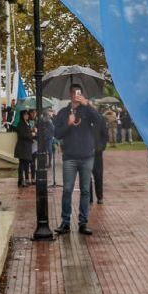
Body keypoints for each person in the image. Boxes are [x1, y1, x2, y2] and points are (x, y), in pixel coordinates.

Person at [53, 83, 103, 235]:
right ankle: (65, 222)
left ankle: (83, 222)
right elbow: (57, 134)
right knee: (67, 189)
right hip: (70, 157)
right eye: (74, 92)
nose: (76, 95)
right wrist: (68, 124)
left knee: (85, 191)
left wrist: (87, 104)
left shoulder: (87, 111)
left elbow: (100, 122)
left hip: (87, 156)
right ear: (70, 94)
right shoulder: (62, 113)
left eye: (79, 92)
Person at [91, 106, 109, 204]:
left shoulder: (100, 119)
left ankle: (100, 197)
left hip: (97, 153)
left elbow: (105, 135)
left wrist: (101, 147)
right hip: (85, 152)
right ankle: (88, 198)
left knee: (98, 175)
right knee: (86, 177)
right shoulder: (84, 118)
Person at [14, 110, 34, 187]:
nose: (27, 116)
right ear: (22, 116)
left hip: (27, 147)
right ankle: (21, 180)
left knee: (26, 164)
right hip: (22, 147)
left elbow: (27, 133)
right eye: (25, 115)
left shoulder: (27, 123)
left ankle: (26, 180)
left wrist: (32, 133)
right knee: (21, 164)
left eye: (27, 114)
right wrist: (31, 134)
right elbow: (22, 135)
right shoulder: (20, 124)